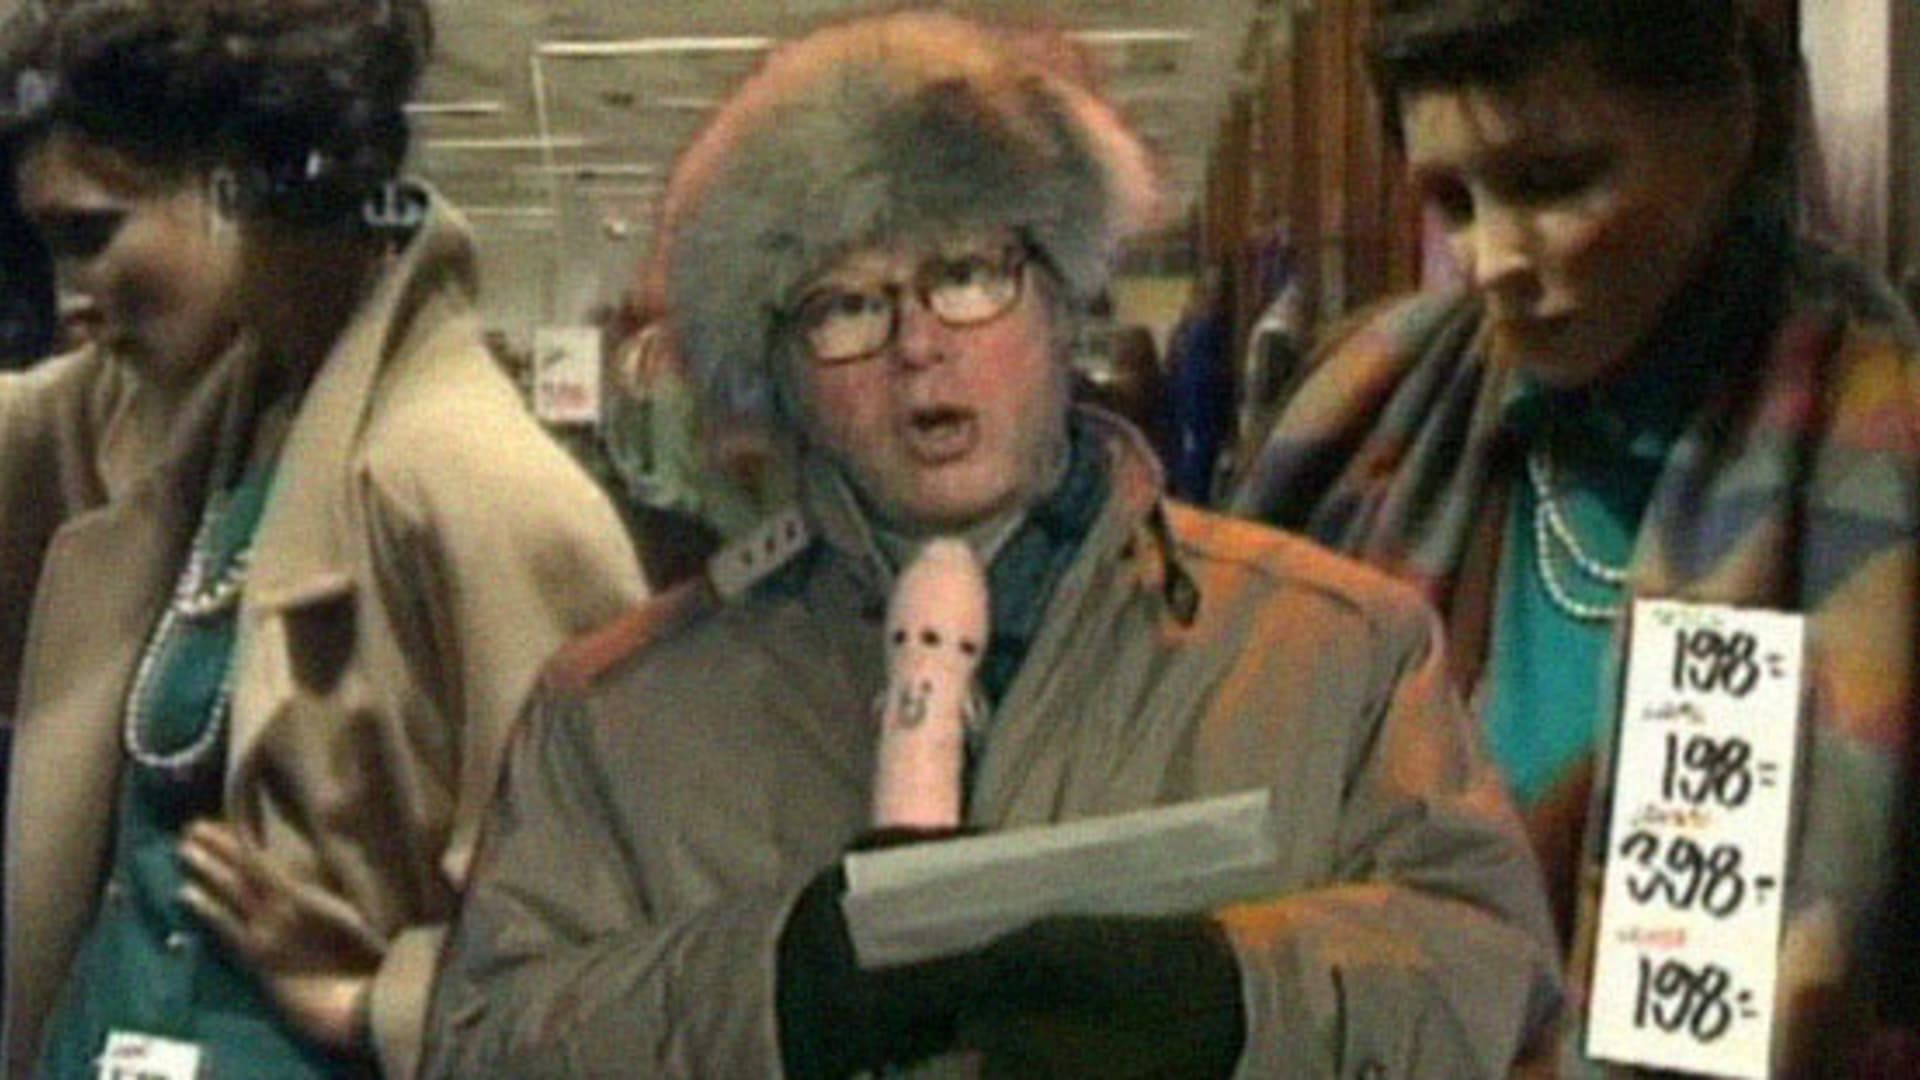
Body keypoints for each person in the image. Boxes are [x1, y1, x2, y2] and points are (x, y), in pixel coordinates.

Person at [424, 11, 1559, 1078]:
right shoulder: (616, 716)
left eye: (968, 275)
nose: (918, 344)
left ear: (1061, 296)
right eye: (844, 305)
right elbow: (482, 1044)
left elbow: (1492, 974)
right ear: (779, 368)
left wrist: (1237, 995)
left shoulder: (1333, 650)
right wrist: (770, 989)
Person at [1231, 0, 1920, 1074]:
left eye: (1554, 182)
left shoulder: (1886, 461)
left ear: (1727, 124)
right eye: (1452, 201)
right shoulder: (1355, 423)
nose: (1493, 259)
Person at [0, 1, 647, 1076]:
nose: (80, 297)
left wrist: (381, 1001)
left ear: (242, 181)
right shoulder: (211, 419)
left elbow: (609, 946)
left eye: (93, 234)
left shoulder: (469, 485)